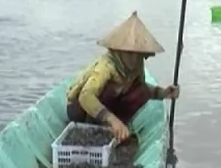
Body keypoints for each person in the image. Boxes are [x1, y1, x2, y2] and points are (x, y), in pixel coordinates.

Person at [66, 11, 180, 143]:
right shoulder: (106, 66)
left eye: (141, 56)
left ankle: (117, 129)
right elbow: (85, 96)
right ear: (122, 52)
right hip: (81, 111)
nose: (138, 59)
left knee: (139, 90)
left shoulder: (136, 66)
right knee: (109, 89)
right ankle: (100, 127)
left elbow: (142, 89)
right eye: (134, 55)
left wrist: (164, 93)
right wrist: (111, 119)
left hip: (108, 108)